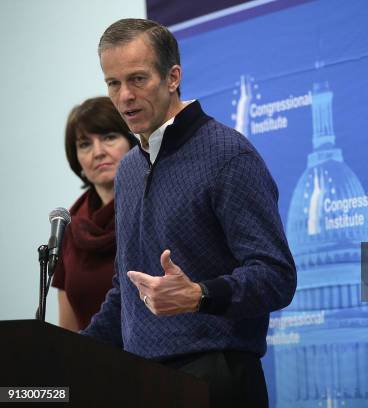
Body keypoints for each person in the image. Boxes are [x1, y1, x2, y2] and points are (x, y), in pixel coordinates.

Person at [82, 18, 296, 406]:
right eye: (113, 83)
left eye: (138, 79)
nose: (124, 96)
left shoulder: (229, 155)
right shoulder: (129, 169)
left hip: (217, 380)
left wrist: (200, 295)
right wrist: (67, 357)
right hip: (140, 380)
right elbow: (126, 292)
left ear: (173, 77)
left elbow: (277, 276)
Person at [52, 97, 137, 331]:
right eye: (85, 144)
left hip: (153, 362)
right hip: (91, 362)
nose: (98, 152)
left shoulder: (153, 205)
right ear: (76, 159)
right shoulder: (69, 224)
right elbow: (67, 330)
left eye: (109, 138)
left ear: (131, 142)